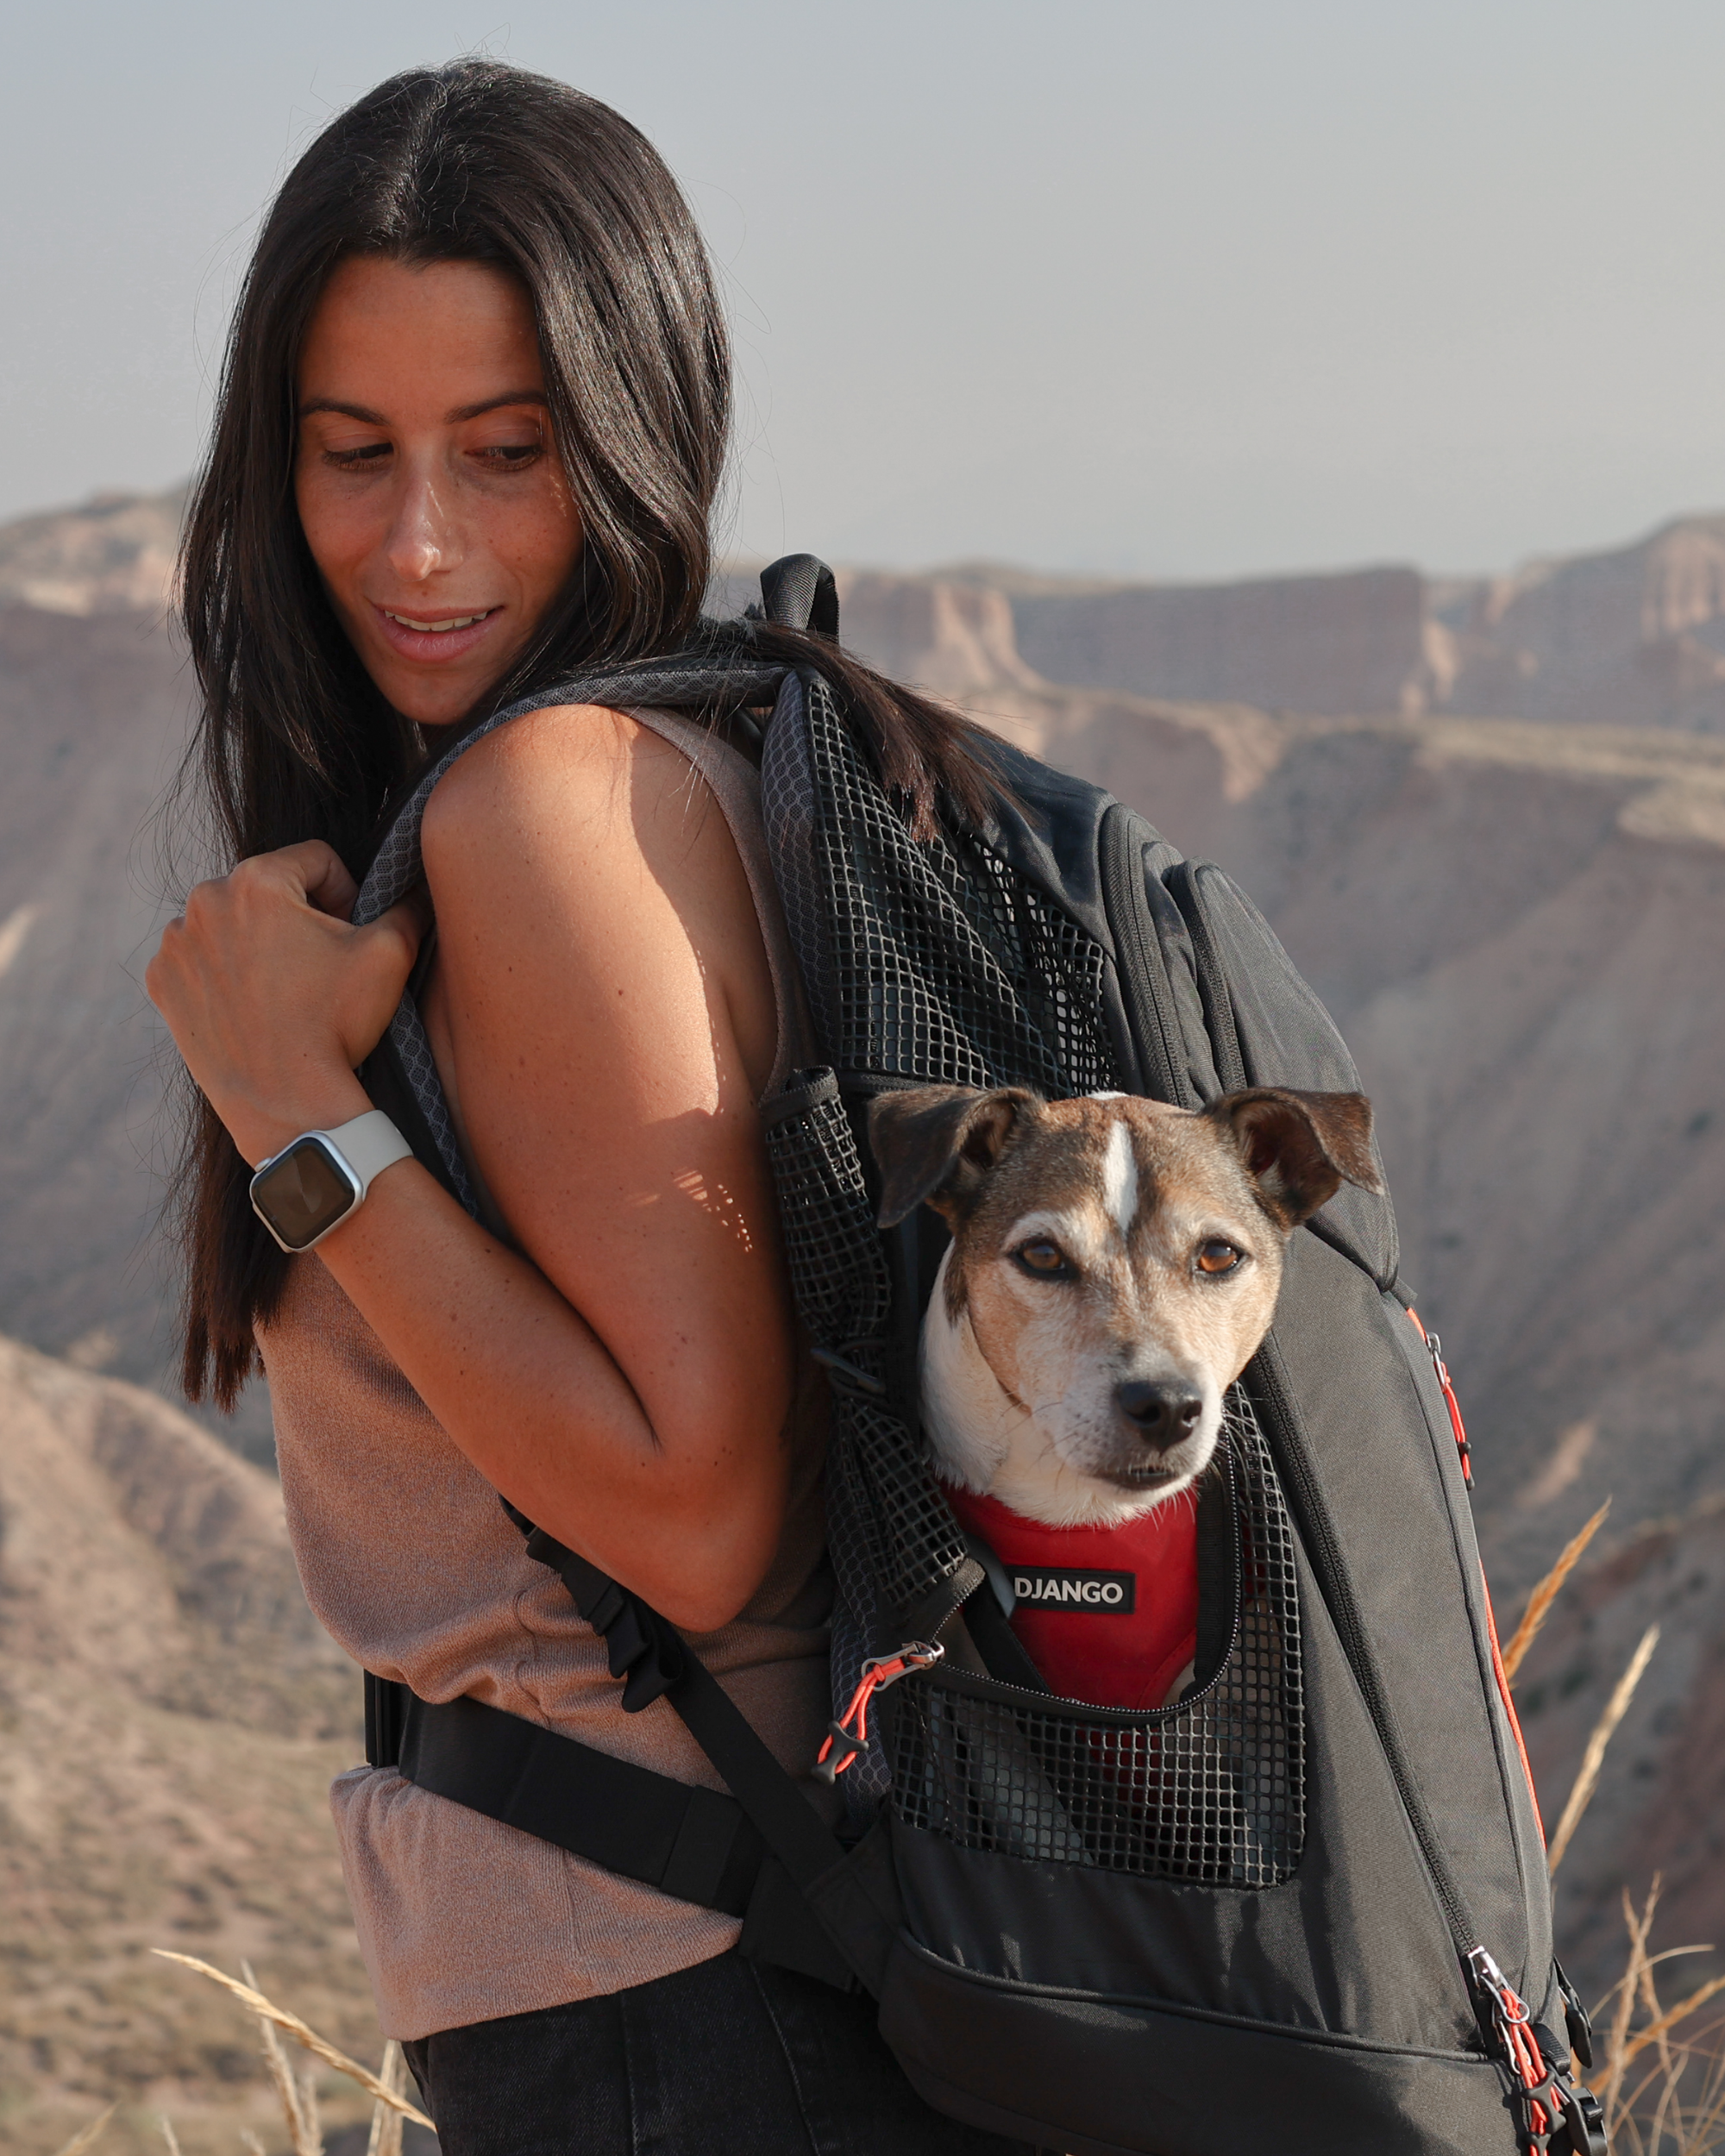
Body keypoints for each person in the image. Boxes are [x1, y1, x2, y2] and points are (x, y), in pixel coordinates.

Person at [147, 59, 1032, 2156]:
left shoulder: (544, 808)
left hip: (678, 2017)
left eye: (509, 453)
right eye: (350, 454)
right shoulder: (699, 748)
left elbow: (701, 1506)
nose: (420, 541)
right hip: (722, 1983)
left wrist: (300, 1112)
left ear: (639, 434)